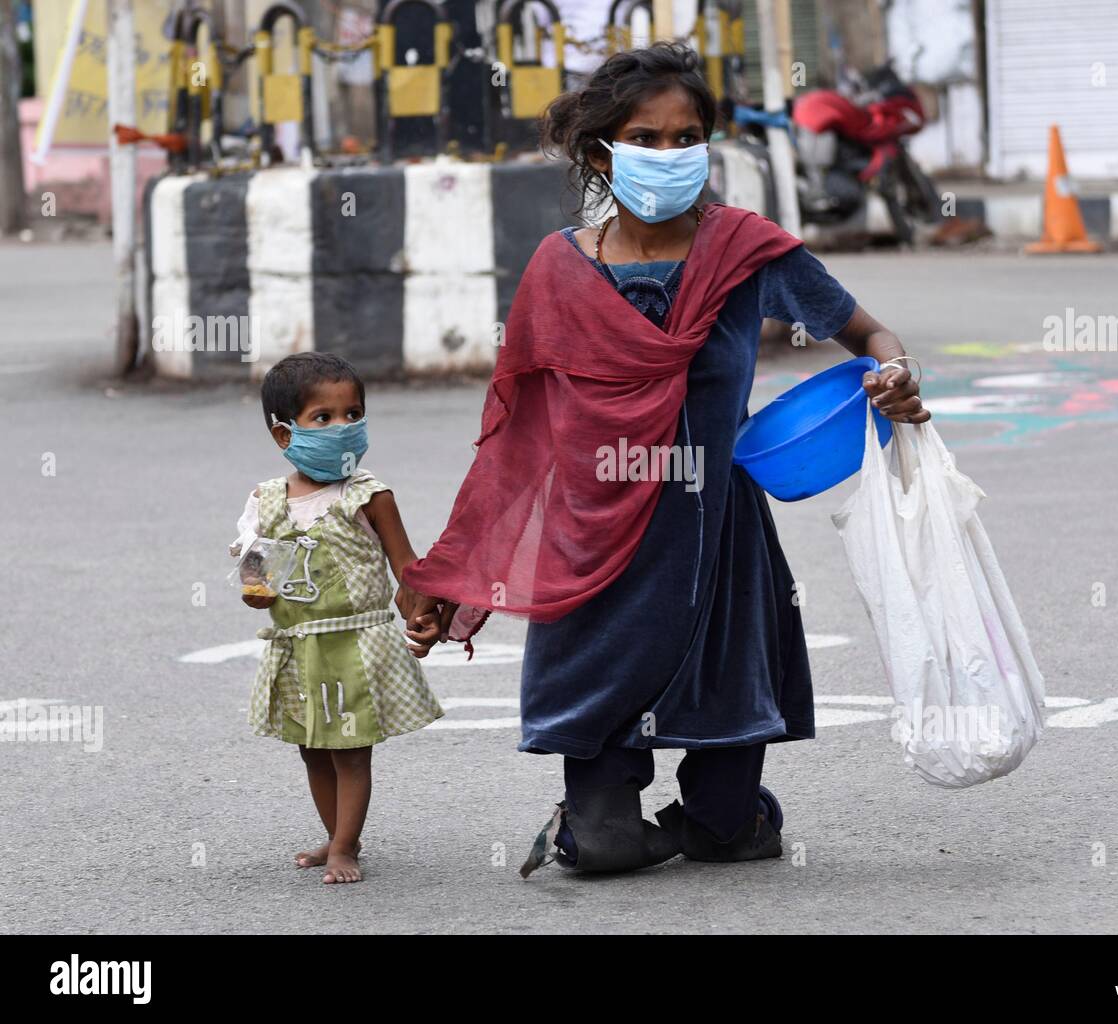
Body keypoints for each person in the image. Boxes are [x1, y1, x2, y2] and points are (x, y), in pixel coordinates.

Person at [402, 43, 928, 876]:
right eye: (644, 137)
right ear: (602, 149)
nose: (667, 154)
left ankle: (725, 812)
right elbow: (522, 441)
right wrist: (452, 572)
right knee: (604, 851)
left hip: (719, 539)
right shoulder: (556, 269)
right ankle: (592, 816)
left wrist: (896, 372)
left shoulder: (747, 252)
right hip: (600, 550)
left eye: (686, 136)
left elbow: (868, 332)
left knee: (727, 837)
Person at [233, 352, 443, 884]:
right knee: (312, 751)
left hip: (356, 646)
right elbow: (254, 578)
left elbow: (407, 572)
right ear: (285, 436)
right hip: (298, 649)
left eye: (353, 414)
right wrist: (257, 594)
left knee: (350, 752)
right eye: (322, 418)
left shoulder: (370, 496)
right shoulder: (265, 501)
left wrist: (424, 615)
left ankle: (346, 846)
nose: (343, 427)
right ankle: (335, 834)